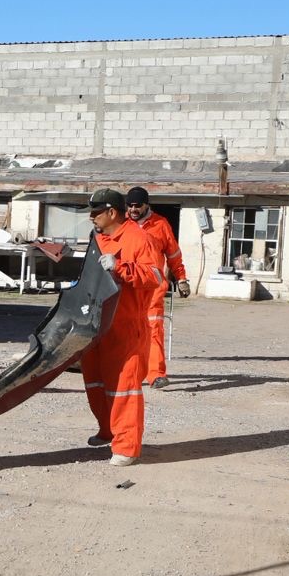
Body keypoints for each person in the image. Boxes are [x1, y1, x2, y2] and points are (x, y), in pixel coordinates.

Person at [80, 188, 166, 466]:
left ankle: (127, 447)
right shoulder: (98, 238)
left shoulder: (139, 239)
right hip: (97, 323)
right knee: (96, 382)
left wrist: (121, 267)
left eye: (96, 212)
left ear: (111, 212)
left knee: (123, 388)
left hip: (125, 326)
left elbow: (154, 276)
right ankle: (108, 431)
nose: (91, 217)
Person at [125, 186, 190, 389]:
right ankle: (129, 373)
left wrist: (181, 279)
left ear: (146, 205)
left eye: (137, 205)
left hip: (153, 289)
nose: (133, 209)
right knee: (126, 332)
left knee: (153, 330)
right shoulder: (121, 224)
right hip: (126, 288)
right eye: (130, 205)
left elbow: (173, 255)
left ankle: (156, 374)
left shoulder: (160, 225)